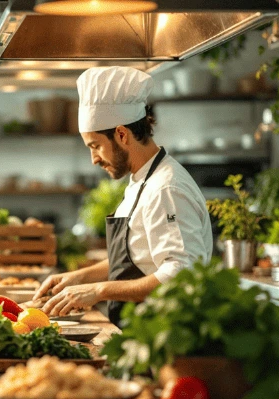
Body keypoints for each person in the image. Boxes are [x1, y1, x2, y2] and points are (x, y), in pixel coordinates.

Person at [33, 67, 212, 323]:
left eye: (95, 146)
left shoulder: (166, 189)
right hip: (140, 330)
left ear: (121, 134)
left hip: (165, 333)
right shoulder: (141, 180)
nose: (94, 159)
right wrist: (80, 277)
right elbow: (138, 257)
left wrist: (99, 290)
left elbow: (181, 273)